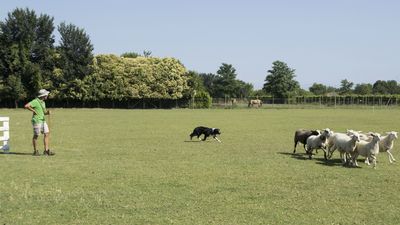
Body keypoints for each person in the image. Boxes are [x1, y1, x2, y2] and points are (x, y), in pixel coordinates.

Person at [24, 89, 55, 156]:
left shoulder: (43, 102)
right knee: (36, 135)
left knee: (46, 133)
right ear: (43, 95)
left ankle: (46, 151)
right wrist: (33, 111)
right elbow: (26, 106)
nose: (47, 95)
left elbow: (44, 112)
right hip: (37, 120)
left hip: (43, 120)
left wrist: (47, 112)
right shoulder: (35, 101)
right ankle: (35, 151)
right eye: (46, 94)